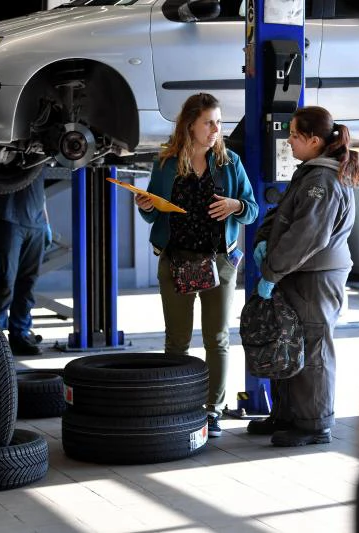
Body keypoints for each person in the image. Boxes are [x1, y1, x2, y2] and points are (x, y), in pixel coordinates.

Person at [135, 92, 258, 438]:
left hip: (219, 261)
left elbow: (252, 209)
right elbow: (151, 214)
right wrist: (145, 204)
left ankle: (212, 410)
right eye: (209, 122)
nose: (216, 129)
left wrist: (236, 205)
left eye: (219, 122)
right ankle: (178, 403)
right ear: (190, 125)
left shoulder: (231, 163)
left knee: (216, 338)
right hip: (176, 259)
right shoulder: (166, 163)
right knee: (176, 340)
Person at [248, 105, 359, 447]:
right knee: (289, 341)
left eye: (295, 135)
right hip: (299, 273)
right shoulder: (312, 172)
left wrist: (272, 270)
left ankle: (314, 424)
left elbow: (307, 235)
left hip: (315, 276)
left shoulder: (323, 180)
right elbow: (285, 216)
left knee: (313, 348)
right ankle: (287, 415)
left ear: (314, 140)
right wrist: (265, 243)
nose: (289, 141)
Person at [0, 167, 53, 356]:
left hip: (36, 220)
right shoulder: (3, 149)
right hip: (7, 218)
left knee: (28, 282)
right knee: (4, 280)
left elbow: (41, 191)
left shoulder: (41, 151)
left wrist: (46, 221)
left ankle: (20, 334)